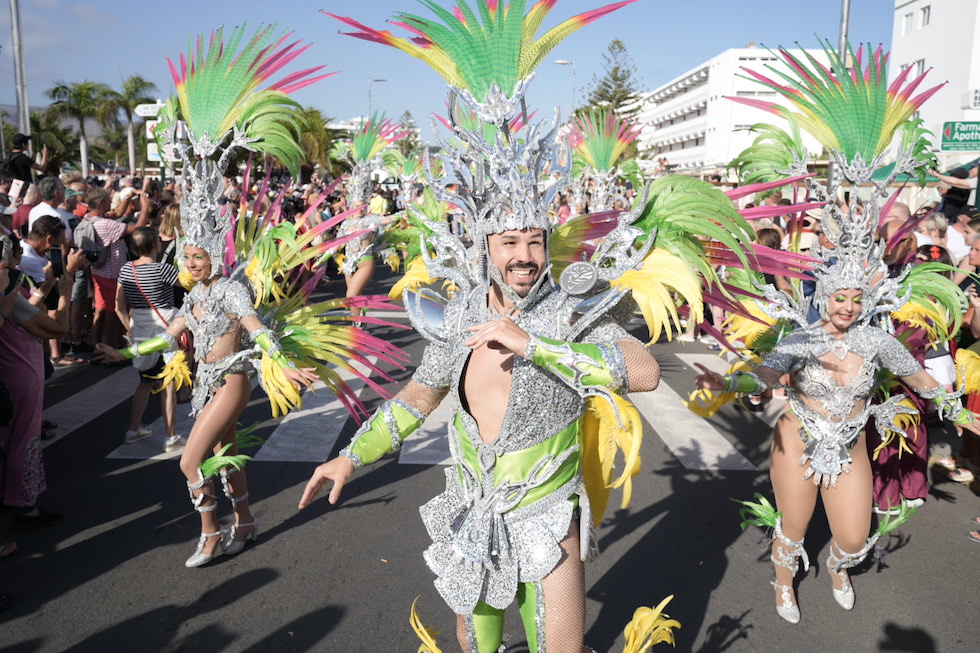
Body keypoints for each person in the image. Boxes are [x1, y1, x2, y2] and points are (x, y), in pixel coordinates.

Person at [114, 227, 183, 450]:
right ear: (155, 245)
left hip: (140, 328)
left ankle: (134, 428)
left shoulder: (126, 270)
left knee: (145, 382)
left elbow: (119, 306)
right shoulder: (163, 269)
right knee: (169, 383)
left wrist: (130, 330)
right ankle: (171, 435)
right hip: (166, 328)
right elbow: (189, 284)